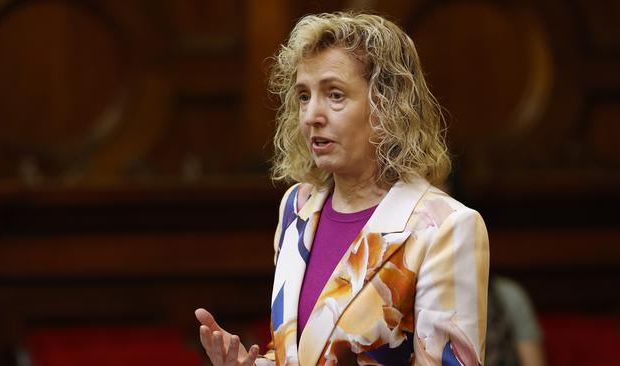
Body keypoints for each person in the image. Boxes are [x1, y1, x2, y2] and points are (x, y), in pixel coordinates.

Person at [196, 11, 489, 365]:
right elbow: (298, 355)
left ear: (386, 107)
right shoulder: (296, 206)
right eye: (304, 96)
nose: (311, 116)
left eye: (334, 95)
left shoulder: (445, 227)